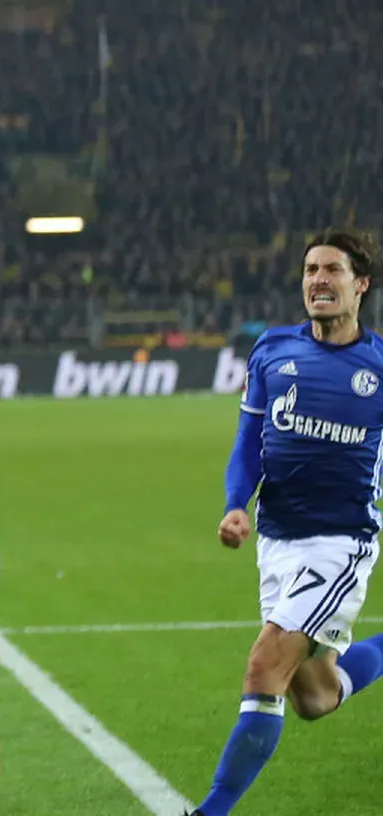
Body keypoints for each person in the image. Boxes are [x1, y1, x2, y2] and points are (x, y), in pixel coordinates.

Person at [191, 230, 383, 815]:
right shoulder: (272, 351)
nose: (318, 279)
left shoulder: (379, 366)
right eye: (309, 270)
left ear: (361, 284)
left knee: (265, 662)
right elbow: (249, 441)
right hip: (276, 541)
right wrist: (235, 503)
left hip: (341, 542)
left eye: (331, 269)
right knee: (314, 695)